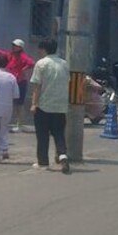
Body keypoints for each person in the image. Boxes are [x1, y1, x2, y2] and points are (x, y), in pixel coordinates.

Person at [30, 38, 71, 174]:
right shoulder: (64, 64)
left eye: (40, 49)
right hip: (60, 105)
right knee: (59, 133)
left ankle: (43, 162)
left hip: (44, 105)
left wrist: (34, 104)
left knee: (42, 135)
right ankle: (63, 156)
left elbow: (37, 86)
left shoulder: (41, 64)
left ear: (44, 49)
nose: (39, 51)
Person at [0, 38, 35, 132]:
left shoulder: (23, 56)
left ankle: (19, 124)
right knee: (10, 102)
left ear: (20, 47)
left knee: (19, 104)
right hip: (11, 81)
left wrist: (24, 69)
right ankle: (10, 122)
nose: (13, 47)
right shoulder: (10, 55)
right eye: (13, 45)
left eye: (16, 46)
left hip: (20, 82)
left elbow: (31, 63)